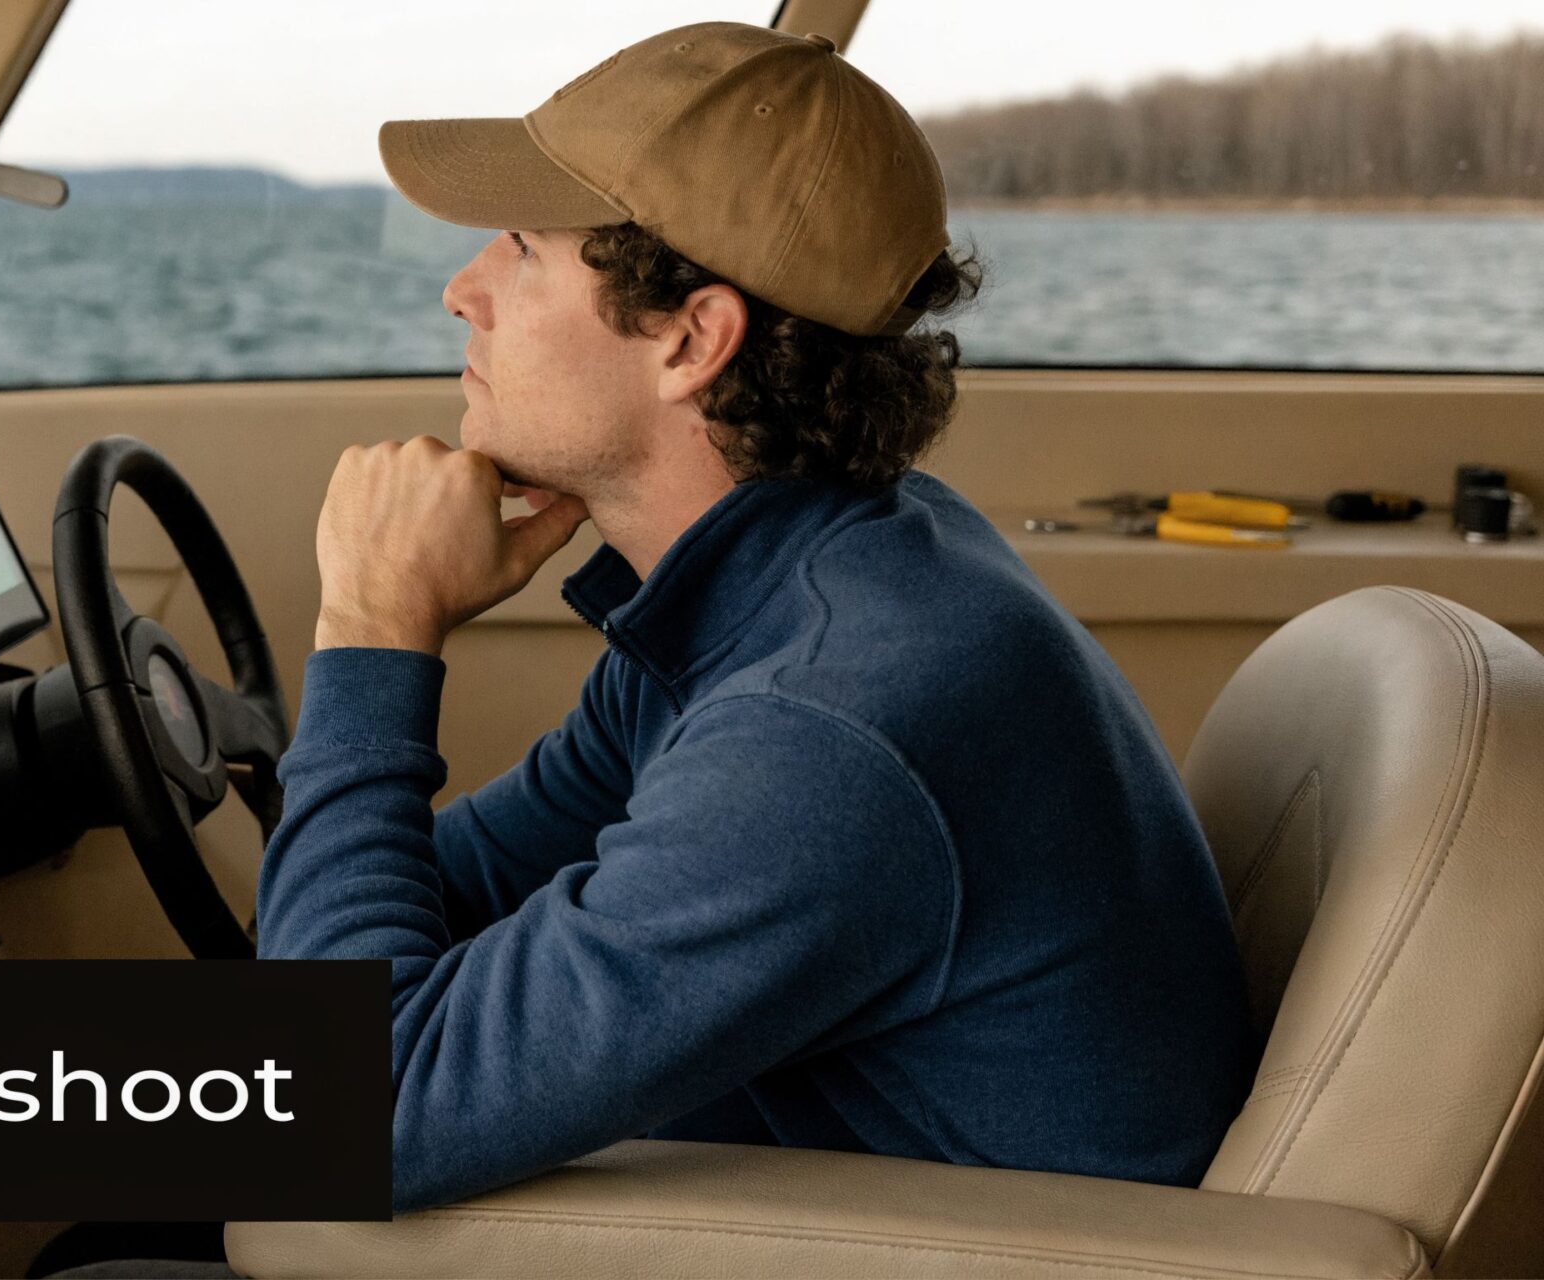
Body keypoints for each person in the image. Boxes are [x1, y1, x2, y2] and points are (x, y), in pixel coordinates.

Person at [257, 22, 1256, 1213]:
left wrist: (373, 629)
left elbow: (337, 1112)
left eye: (523, 248)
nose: (461, 287)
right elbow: (458, 887)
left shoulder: (826, 726)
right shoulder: (787, 581)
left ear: (691, 338)